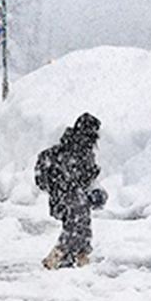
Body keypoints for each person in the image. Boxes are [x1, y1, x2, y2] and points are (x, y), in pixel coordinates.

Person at [37, 113, 102, 270]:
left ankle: (76, 255)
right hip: (63, 198)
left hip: (72, 197)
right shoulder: (71, 151)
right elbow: (69, 180)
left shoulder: (84, 151)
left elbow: (88, 178)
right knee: (77, 223)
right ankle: (60, 255)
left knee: (82, 224)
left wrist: (95, 192)